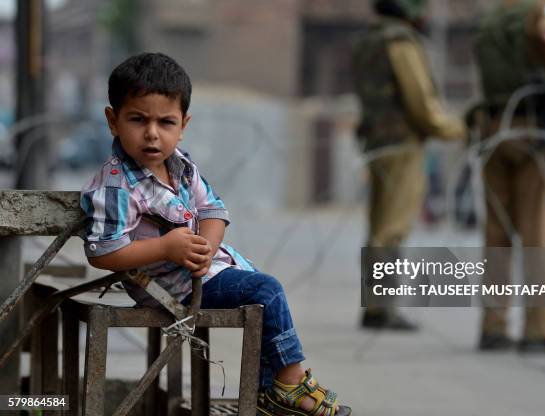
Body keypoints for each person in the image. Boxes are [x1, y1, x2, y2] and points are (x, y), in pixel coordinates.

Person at [80, 53, 351, 416]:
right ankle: (292, 383)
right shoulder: (116, 186)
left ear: (183, 125)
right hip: (166, 289)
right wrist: (166, 247)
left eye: (166, 122)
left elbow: (213, 210)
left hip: (201, 273)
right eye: (138, 119)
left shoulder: (181, 165)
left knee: (261, 294)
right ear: (113, 121)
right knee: (266, 290)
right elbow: (103, 252)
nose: (152, 133)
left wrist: (205, 246)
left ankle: (271, 395)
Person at [473, 0, 545, 353]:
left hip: (493, 129)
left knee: (497, 233)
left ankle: (494, 327)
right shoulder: (542, 10)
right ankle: (538, 330)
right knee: (535, 230)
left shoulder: (490, 21)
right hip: (532, 130)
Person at [353, 0, 466, 330]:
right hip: (402, 144)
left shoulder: (368, 40)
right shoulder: (400, 41)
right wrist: (457, 129)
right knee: (392, 229)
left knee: (378, 228)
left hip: (375, 143)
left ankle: (374, 305)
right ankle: (380, 309)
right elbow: (421, 103)